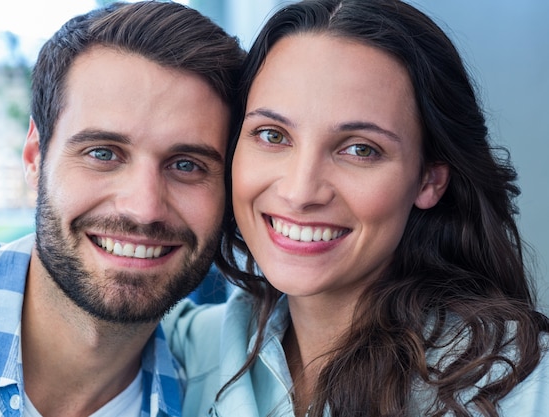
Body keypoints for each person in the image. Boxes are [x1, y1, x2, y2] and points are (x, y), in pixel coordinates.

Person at [163, 0, 549, 416]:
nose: (300, 191)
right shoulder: (191, 349)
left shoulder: (522, 385)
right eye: (272, 135)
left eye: (360, 149)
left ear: (429, 180)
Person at [0, 2, 244, 416]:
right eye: (103, 153)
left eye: (186, 165)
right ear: (35, 157)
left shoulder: (213, 395)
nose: (144, 209)